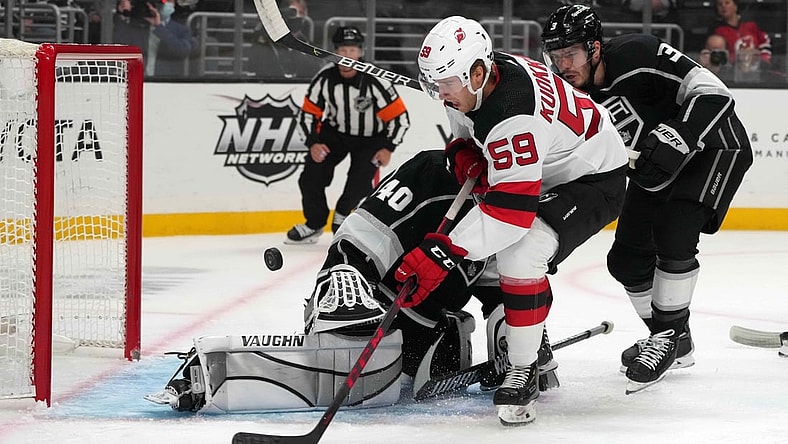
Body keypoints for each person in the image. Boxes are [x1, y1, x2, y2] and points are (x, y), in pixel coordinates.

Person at [145, 150, 559, 413]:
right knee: (355, 344)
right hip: (367, 312)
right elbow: (360, 236)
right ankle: (214, 374)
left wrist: (517, 339)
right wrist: (343, 278)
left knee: (406, 380)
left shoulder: (514, 212)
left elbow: (499, 286)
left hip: (427, 333)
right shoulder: (433, 174)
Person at [399, 16, 628, 426]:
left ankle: (524, 369)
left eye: (447, 83)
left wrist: (445, 251)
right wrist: (462, 152)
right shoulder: (480, 81)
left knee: (522, 251)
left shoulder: (513, 115)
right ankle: (524, 332)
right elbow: (464, 125)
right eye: (434, 84)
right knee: (490, 241)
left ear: (477, 72)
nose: (441, 95)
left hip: (592, 179)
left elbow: (511, 217)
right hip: (549, 164)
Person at [541, 4, 753, 394]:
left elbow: (714, 94)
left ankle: (666, 338)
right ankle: (675, 340)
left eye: (570, 54)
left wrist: (680, 135)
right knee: (626, 261)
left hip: (715, 148)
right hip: (656, 170)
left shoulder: (640, 54)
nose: (562, 64)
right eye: (555, 56)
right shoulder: (567, 95)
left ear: (595, 48)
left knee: (674, 234)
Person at [285, 26, 411, 244]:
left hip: (371, 139)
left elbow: (400, 119)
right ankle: (314, 223)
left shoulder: (375, 80)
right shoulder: (324, 78)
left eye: (352, 50)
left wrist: (388, 147)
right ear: (334, 52)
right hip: (334, 135)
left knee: (359, 182)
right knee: (311, 176)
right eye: (342, 50)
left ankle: (342, 215)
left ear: (360, 53)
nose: (347, 56)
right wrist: (313, 143)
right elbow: (308, 115)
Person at [113, 0, 195, 77]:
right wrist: (124, 13)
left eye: (166, 1)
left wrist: (159, 28)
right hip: (136, 81)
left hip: (165, 83)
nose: (160, 5)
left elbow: (183, 51)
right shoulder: (134, 26)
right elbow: (116, 45)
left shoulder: (181, 29)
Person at [707, 0, 772, 73]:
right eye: (719, 4)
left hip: (758, 71)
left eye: (727, 3)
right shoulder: (717, 30)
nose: (723, 6)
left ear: (735, 6)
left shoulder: (751, 24)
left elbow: (764, 41)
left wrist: (763, 59)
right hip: (731, 73)